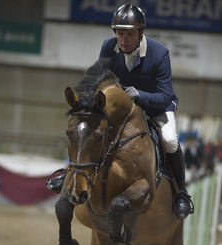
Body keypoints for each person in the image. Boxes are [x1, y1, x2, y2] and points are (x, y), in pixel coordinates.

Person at [48, 3, 194, 219]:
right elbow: (99, 80)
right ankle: (70, 173)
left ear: (140, 32)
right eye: (119, 33)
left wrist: (139, 95)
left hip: (156, 107)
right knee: (87, 130)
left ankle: (180, 192)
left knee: (170, 139)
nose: (123, 39)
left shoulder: (159, 53)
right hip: (122, 110)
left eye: (129, 34)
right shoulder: (109, 47)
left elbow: (165, 95)